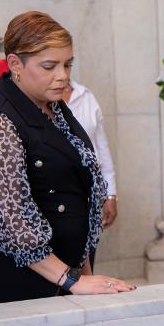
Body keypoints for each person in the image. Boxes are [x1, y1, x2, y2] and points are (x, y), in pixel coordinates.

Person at [0, 11, 135, 307]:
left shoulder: (55, 109)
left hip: (61, 277)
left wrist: (84, 273)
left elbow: (80, 193)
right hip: (6, 282)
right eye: (49, 66)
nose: (63, 75)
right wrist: (72, 279)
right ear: (15, 65)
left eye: (68, 64)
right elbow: (9, 221)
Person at [63, 81, 118, 228]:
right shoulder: (39, 99)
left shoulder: (86, 96)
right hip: (56, 195)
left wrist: (110, 194)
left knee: (87, 247)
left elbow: (102, 149)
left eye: (68, 64)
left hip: (88, 193)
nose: (62, 72)